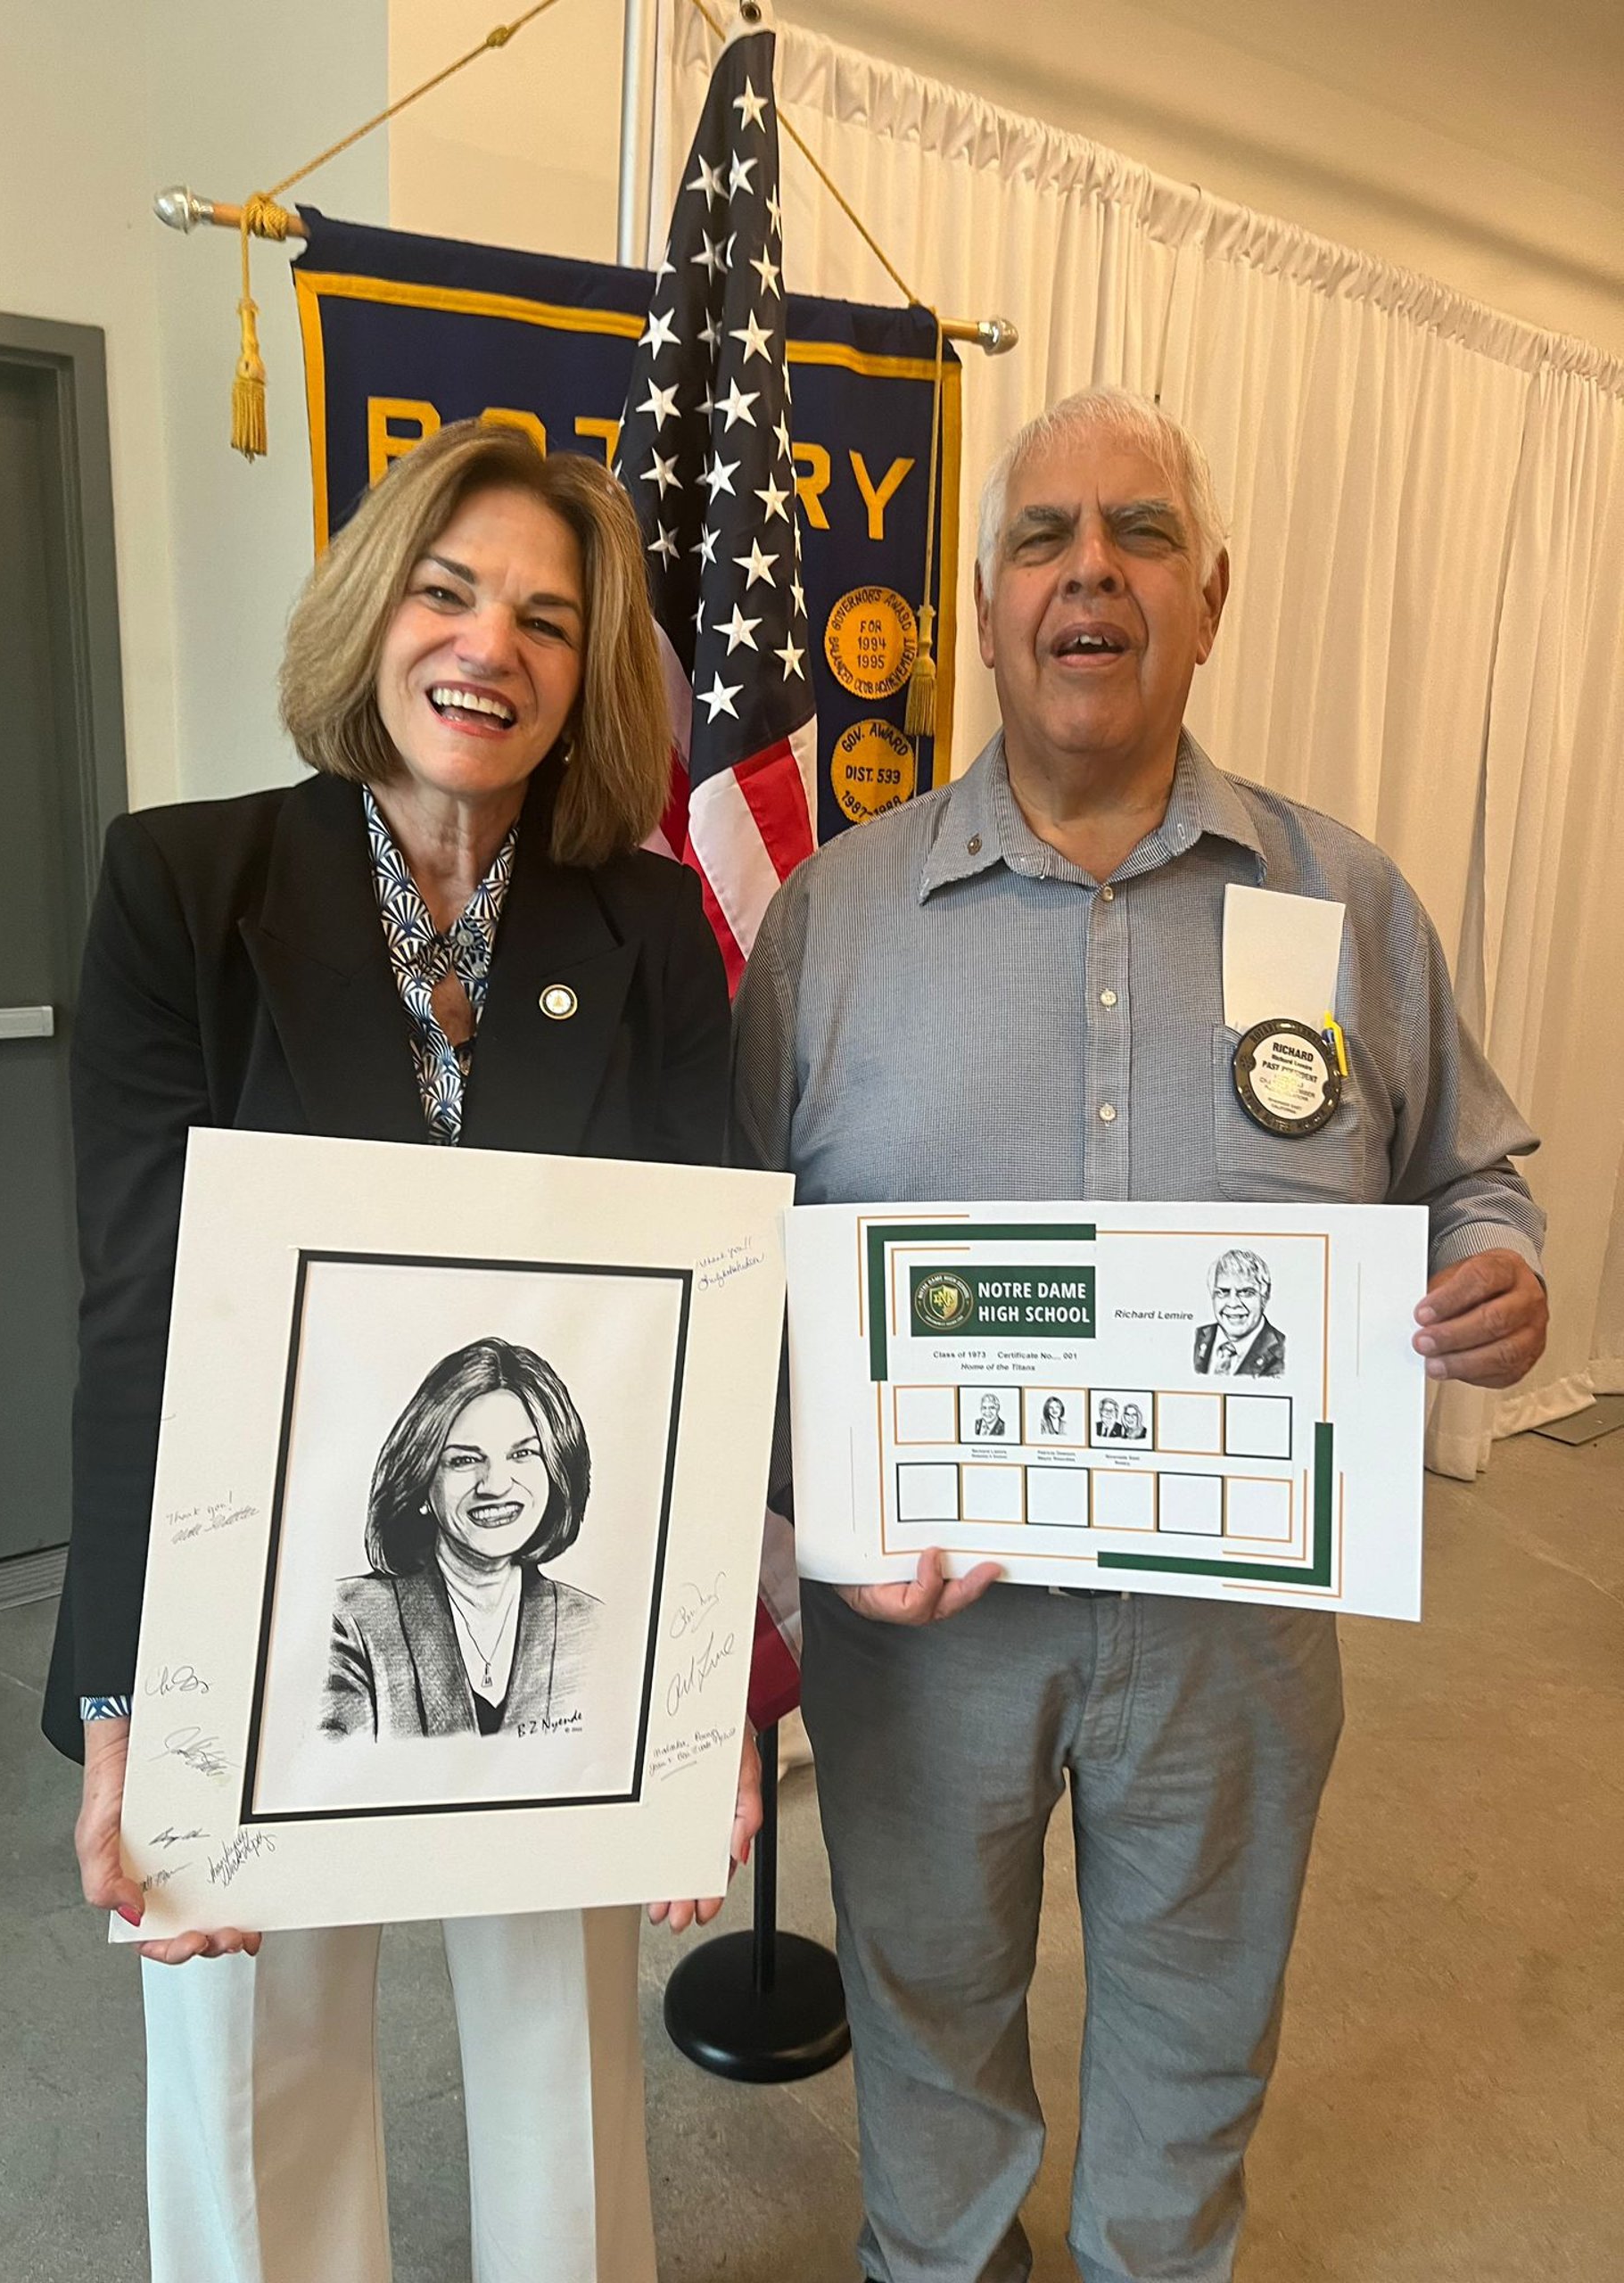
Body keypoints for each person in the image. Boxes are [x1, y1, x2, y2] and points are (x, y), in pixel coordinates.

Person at [732, 387, 1547, 2283]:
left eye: (1140, 535)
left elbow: (1472, 1173)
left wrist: (1499, 1270)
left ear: (1211, 597)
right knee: (925, 1999)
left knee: (1198, 2012)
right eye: (1043, 537)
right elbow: (730, 1262)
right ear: (993, 605)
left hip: (1236, 1627)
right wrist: (809, 1509)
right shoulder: (839, 923)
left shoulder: (1344, 904)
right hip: (923, 1623)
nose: (1089, 568)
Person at [43, 419, 762, 2283]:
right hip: (245, 1590)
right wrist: (127, 1705)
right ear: (374, 616)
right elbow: (138, 1309)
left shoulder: (653, 922)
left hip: (553, 1595)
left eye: (544, 615)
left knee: (561, 2060)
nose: (490, 646)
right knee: (253, 2068)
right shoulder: (182, 894)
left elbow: (698, 1322)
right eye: (449, 593)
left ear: (586, 673)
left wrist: (706, 1704)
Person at [323, 1336, 600, 1740]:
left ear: (556, 1469)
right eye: (465, 1460)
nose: (496, 1485)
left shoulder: (592, 1627)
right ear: (420, 1480)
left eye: (523, 1454)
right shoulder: (351, 1622)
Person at [1193, 1248, 1285, 1376]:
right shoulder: (1196, 1337)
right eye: (1222, 1292)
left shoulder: (1283, 1351)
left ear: (1265, 1296)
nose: (1233, 1303)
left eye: (1246, 1292)